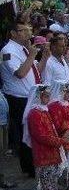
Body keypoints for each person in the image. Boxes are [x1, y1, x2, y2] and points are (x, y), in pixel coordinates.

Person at [1, 21, 39, 178]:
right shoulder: (7, 51)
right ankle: (29, 167)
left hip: (31, 95)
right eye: (23, 30)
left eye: (28, 29)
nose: (27, 33)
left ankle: (35, 162)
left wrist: (42, 58)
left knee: (34, 131)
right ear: (13, 33)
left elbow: (35, 71)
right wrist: (31, 56)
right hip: (18, 99)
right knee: (25, 134)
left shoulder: (24, 48)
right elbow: (20, 73)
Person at [24, 84, 69, 190]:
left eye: (49, 96)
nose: (48, 98)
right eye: (45, 96)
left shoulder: (43, 110)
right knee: (47, 174)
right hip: (43, 149)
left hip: (51, 147)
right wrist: (60, 141)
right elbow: (40, 136)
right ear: (38, 96)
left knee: (52, 173)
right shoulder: (34, 114)